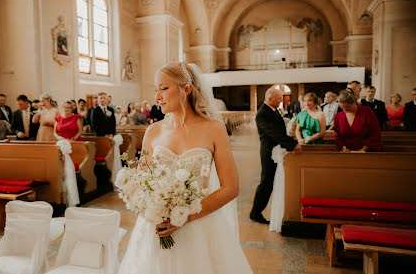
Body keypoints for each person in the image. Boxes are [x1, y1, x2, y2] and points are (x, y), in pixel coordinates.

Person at [118, 62, 253, 274]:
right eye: (156, 90)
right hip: (157, 228)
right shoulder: (153, 132)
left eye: (164, 88)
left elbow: (231, 187)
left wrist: (184, 217)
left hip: (200, 228)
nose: (157, 97)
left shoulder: (214, 128)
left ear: (186, 89)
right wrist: (151, 206)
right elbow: (142, 183)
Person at [249, 87, 301, 224]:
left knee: (271, 181)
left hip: (276, 149)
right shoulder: (262, 113)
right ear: (269, 98)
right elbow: (273, 132)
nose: (280, 100)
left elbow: (280, 131)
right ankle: (255, 212)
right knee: (266, 182)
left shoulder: (273, 109)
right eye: (278, 98)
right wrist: (292, 144)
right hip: (268, 151)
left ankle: (257, 211)